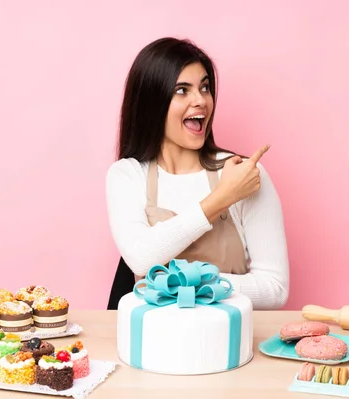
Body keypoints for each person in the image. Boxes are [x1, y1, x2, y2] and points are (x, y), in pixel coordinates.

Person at [105, 37, 289, 310]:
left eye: (204, 88)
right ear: (151, 102)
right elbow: (142, 259)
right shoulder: (128, 175)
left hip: (228, 344)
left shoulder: (245, 174)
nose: (201, 100)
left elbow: (275, 289)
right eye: (182, 90)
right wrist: (221, 199)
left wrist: (179, 284)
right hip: (153, 345)